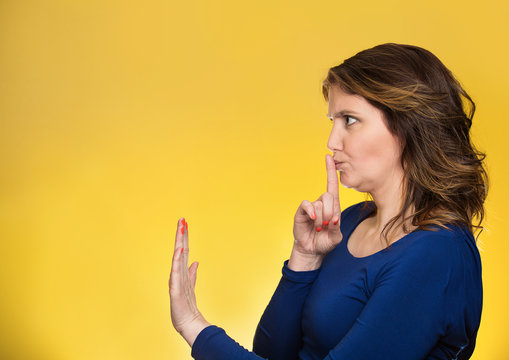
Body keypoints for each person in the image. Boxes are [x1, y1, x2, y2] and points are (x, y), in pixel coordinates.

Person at [168, 43, 488, 360]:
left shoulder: (437, 254)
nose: (332, 142)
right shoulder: (351, 221)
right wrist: (305, 259)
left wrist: (194, 326)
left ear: (407, 125)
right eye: (332, 121)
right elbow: (271, 354)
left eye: (349, 120)